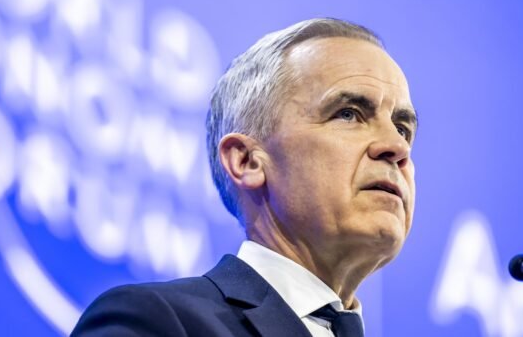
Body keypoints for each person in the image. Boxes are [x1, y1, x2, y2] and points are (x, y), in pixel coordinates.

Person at [71, 18, 418, 337]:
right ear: (247, 161)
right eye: (349, 114)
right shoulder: (155, 321)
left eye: (402, 129)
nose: (396, 147)